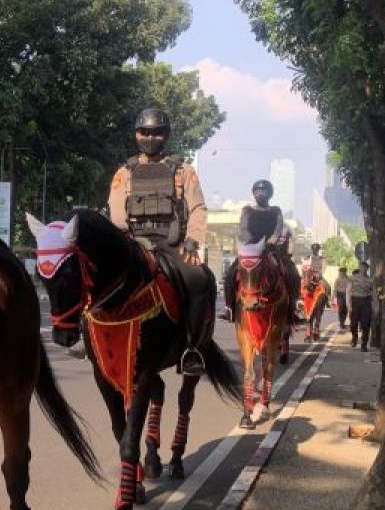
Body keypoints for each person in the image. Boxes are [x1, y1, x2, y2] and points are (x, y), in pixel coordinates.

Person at [107, 107, 211, 376]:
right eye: (144, 132)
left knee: (198, 278)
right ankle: (87, 336)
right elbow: (116, 212)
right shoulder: (124, 172)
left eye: (156, 132)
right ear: (136, 134)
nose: (150, 137)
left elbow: (198, 208)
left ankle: (193, 347)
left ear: (166, 135)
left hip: (172, 243)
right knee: (95, 274)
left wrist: (192, 241)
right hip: (134, 244)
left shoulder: (183, 171)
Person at [222, 179, 302, 323]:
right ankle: (230, 308)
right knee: (230, 274)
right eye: (258, 191)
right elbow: (244, 229)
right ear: (253, 193)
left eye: (264, 191)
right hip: (251, 250)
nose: (260, 194)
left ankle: (294, 307)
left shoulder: (276, 211)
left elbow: (278, 230)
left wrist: (269, 243)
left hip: (271, 249)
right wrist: (252, 244)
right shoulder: (247, 210)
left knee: (293, 273)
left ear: (269, 194)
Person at [347, 262, 375, 351]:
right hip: (355, 301)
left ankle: (364, 344)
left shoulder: (370, 280)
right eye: (362, 267)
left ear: (367, 269)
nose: (363, 269)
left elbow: (374, 294)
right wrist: (349, 305)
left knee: (366, 324)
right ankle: (354, 337)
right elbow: (348, 292)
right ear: (359, 268)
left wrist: (375, 306)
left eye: (365, 268)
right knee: (353, 324)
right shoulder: (353, 279)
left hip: (366, 302)